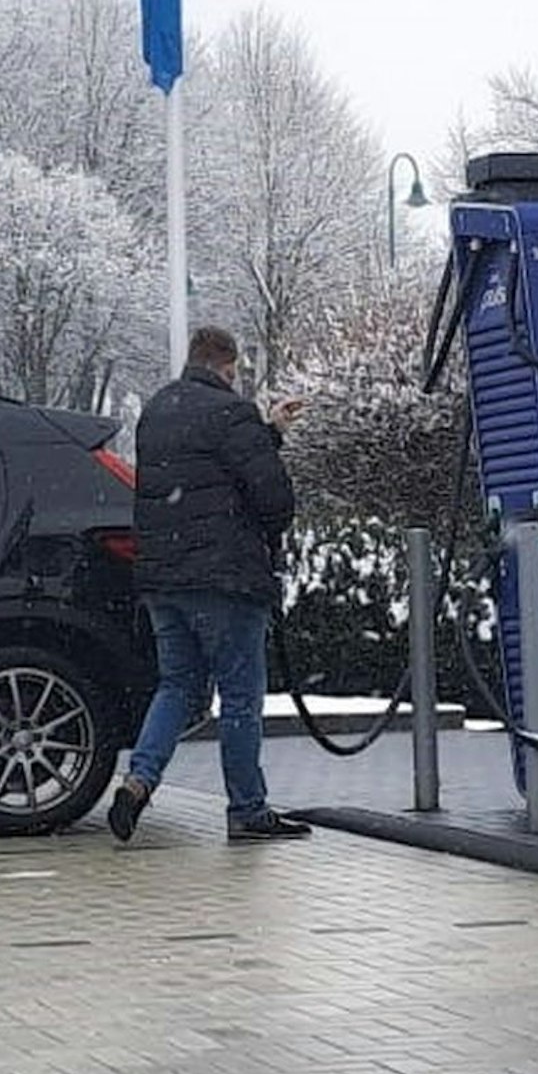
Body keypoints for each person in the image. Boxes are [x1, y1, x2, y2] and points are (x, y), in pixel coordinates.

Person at [108, 324, 312, 843]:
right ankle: (247, 809)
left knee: (177, 685)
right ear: (227, 367)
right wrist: (263, 441)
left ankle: (138, 781)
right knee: (241, 695)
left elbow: (203, 468)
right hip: (226, 580)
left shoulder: (157, 411)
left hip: (162, 580)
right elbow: (271, 498)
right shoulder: (231, 412)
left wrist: (268, 432)